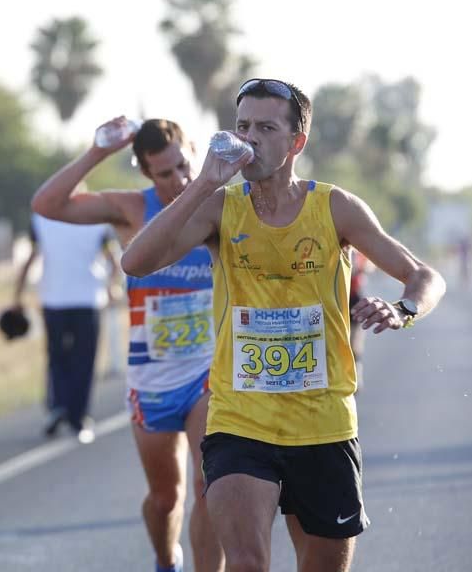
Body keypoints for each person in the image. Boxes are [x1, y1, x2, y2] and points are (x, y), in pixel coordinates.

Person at [121, 78, 446, 572]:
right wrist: (205, 182)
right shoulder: (219, 207)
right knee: (248, 563)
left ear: (297, 142)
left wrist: (402, 310)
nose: (250, 138)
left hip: (323, 423)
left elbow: (425, 275)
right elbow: (136, 262)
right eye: (243, 126)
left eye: (266, 128)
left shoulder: (335, 207)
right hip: (238, 418)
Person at [32, 118, 224, 572]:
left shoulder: (219, 207)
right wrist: (97, 151)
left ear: (194, 153)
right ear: (145, 174)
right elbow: (47, 204)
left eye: (184, 166)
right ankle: (165, 559)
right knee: (164, 498)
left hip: (208, 371)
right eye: (165, 173)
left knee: (208, 484)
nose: (178, 180)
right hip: (152, 376)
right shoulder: (132, 210)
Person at [11, 210, 120, 443]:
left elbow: (31, 259)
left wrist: (17, 296)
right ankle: (77, 416)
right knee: (83, 360)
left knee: (57, 357)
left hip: (55, 300)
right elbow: (112, 260)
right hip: (86, 300)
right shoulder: (96, 217)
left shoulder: (43, 218)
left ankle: (58, 406)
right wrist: (112, 285)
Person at [348, 249, 375, 389]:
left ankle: (356, 373)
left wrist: (361, 268)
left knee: (354, 341)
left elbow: (370, 266)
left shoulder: (357, 248)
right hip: (334, 299)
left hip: (354, 297)